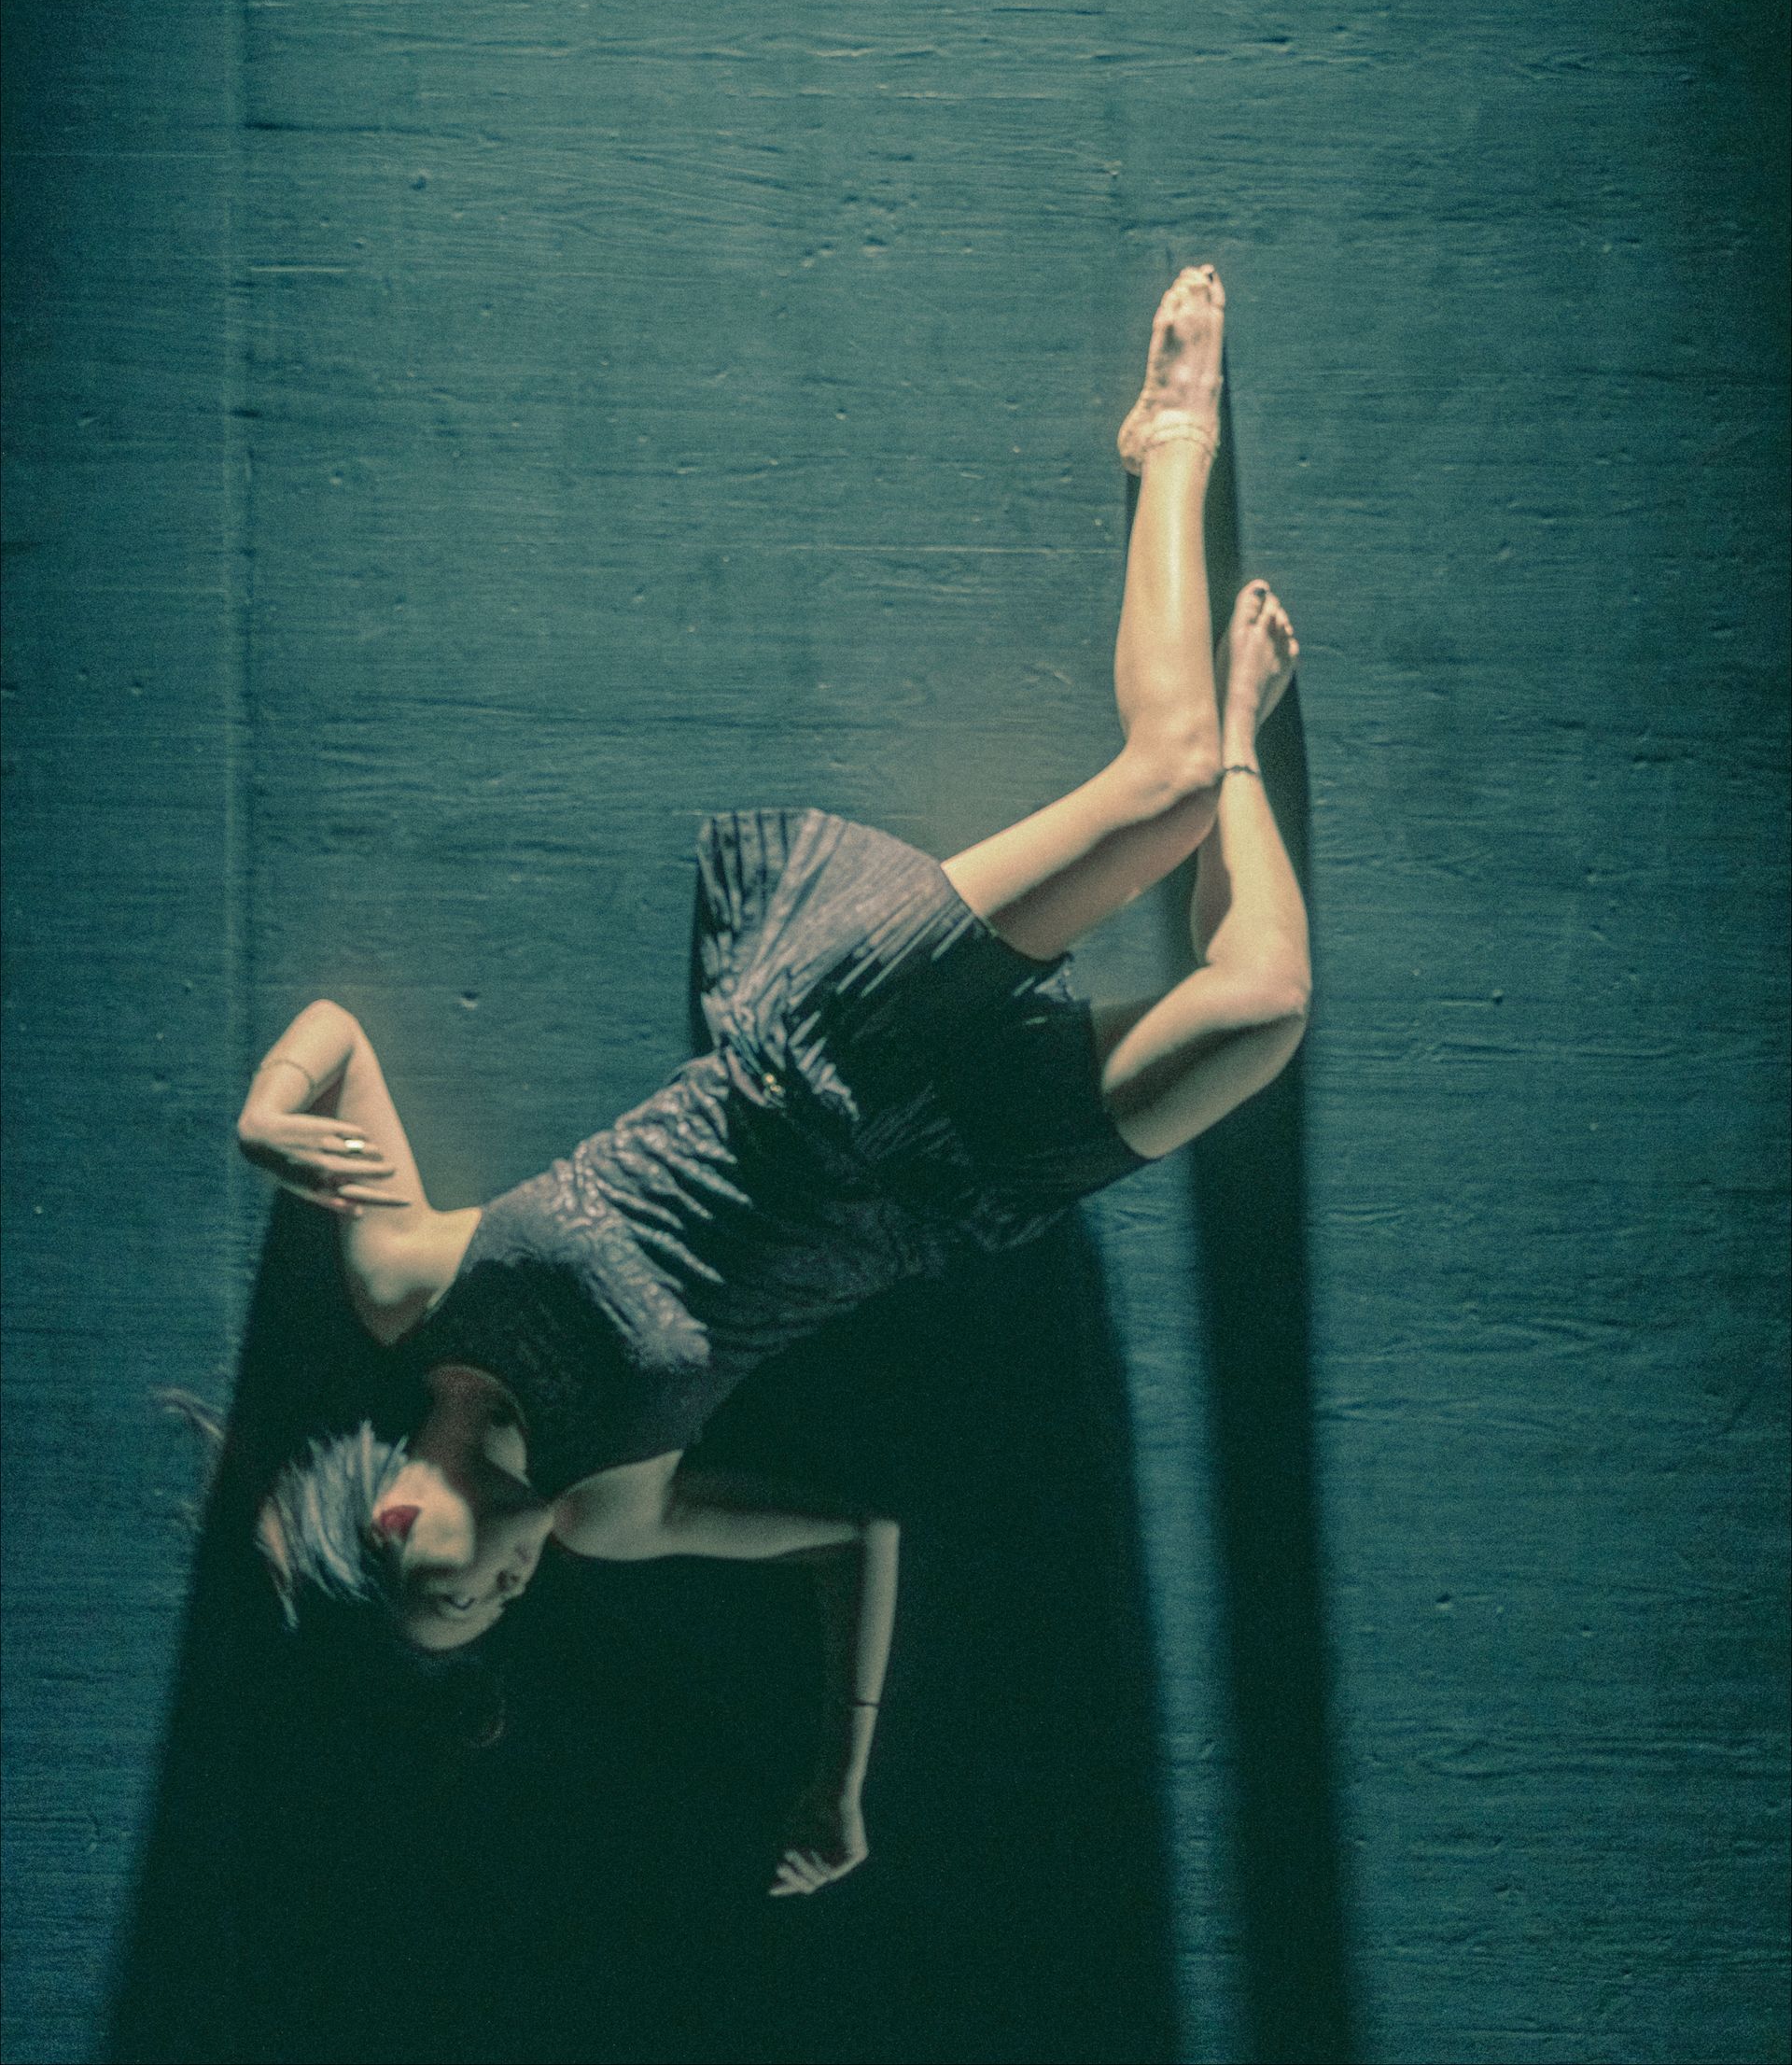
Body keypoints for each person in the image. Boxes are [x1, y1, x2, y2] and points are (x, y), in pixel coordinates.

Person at [232, 261, 1309, 1897]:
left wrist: (267, 1112)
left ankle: (1170, 438)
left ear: (392, 1527)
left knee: (1148, 793)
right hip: (925, 1201)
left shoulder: (408, 1286)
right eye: (493, 1618)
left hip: (831, 1043)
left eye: (461, 1594)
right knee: (1264, 1006)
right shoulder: (612, 1516)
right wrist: (841, 1780)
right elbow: (854, 1537)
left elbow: (338, 1033)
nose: (507, 1594)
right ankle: (1242, 739)